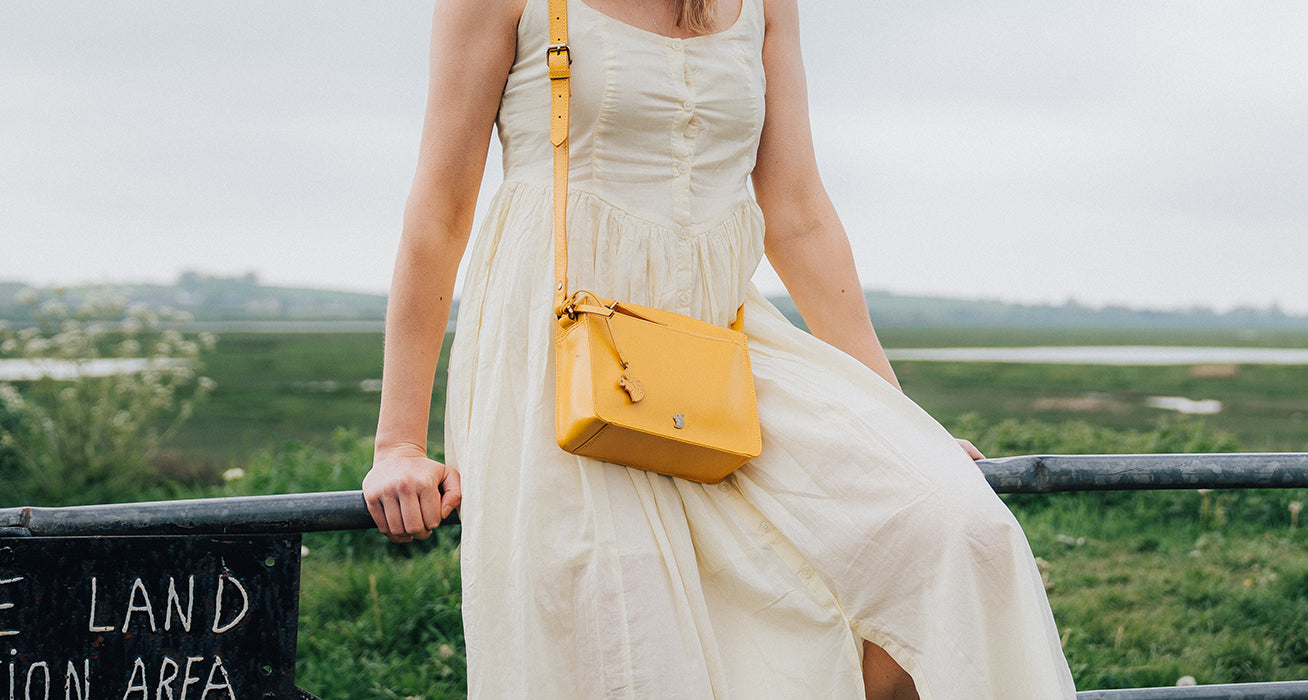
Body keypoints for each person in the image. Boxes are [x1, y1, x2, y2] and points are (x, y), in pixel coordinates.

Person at [361, 0, 1077, 697]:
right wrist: (399, 443)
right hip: (559, 360)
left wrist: (898, 424)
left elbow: (797, 212)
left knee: (953, 528)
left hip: (718, 341)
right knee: (636, 655)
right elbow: (439, 213)